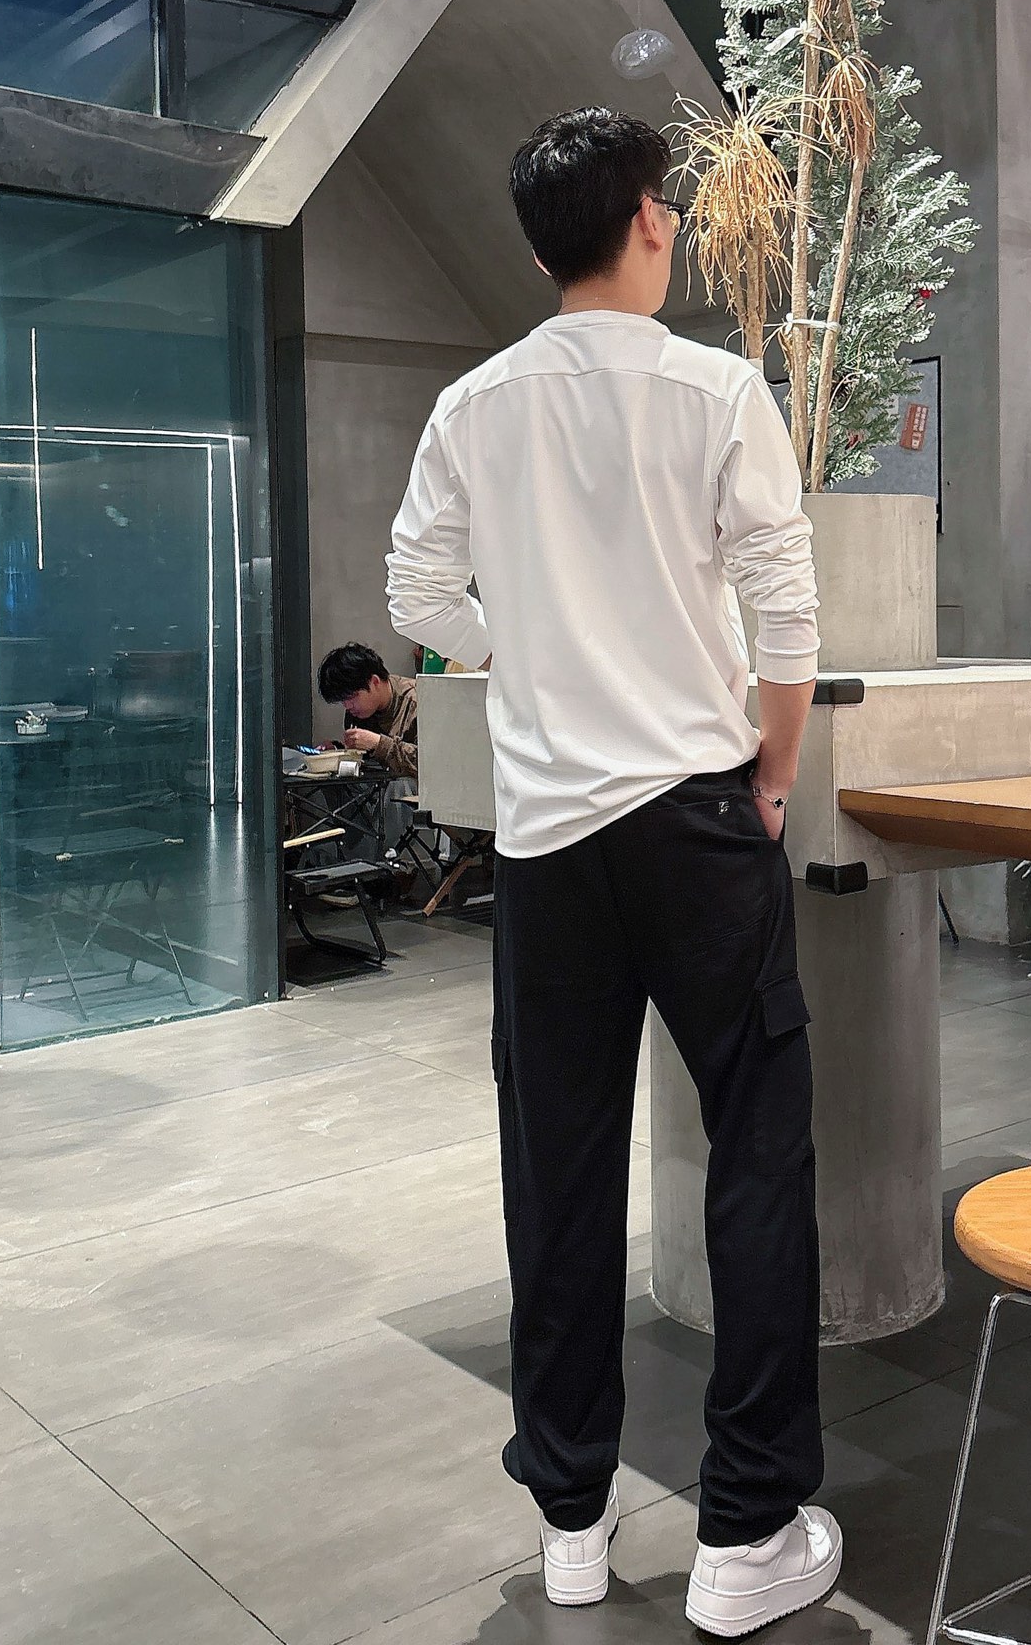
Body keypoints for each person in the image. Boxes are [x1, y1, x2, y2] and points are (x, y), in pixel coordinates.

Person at [386, 108, 836, 1636]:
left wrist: (523, 652)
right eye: (668, 205)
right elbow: (787, 614)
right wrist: (772, 773)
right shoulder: (718, 391)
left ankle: (572, 1518)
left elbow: (415, 590)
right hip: (702, 826)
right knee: (758, 1150)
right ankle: (746, 1532)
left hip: (549, 850)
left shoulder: (474, 405)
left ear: (538, 253)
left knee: (558, 1171)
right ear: (649, 219)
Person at [315, 643, 416, 780]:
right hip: (375, 784)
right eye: (342, 700)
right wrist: (336, 751)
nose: (347, 706)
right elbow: (363, 758)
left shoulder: (417, 702)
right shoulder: (357, 711)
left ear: (374, 682)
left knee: (401, 784)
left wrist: (378, 744)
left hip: (416, 787)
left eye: (351, 697)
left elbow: (433, 762)